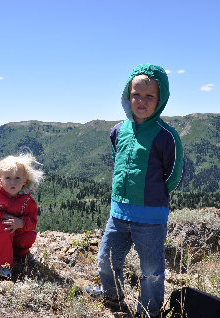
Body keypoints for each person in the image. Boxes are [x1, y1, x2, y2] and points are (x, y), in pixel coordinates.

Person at [85, 63, 184, 317]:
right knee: (107, 263)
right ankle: (113, 298)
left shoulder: (166, 136)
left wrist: (154, 196)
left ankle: (148, 311)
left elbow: (173, 174)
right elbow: (117, 157)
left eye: (149, 96)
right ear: (127, 96)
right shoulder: (118, 130)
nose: (141, 100)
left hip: (150, 219)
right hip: (118, 214)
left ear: (161, 99)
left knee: (151, 271)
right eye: (136, 94)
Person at [0, 153, 44, 278]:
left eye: (17, 178)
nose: (13, 182)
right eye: (8, 178)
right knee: (4, 228)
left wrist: (21, 223)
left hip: (15, 234)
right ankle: (2, 265)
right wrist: (1, 216)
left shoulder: (28, 201)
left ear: (25, 180)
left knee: (28, 236)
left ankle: (20, 254)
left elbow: (32, 222)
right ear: (0, 179)